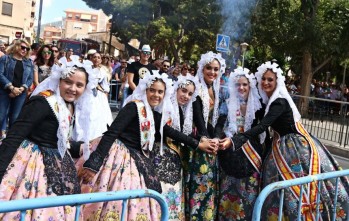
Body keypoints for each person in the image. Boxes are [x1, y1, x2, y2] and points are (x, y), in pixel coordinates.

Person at [219, 61, 349, 220]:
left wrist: (235, 141)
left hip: (294, 147)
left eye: (270, 80)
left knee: (299, 187)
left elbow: (263, 126)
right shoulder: (267, 101)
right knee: (284, 189)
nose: (266, 83)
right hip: (281, 145)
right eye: (264, 79)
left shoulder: (279, 101)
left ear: (277, 82)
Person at [78, 72, 216, 221]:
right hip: (117, 157)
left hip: (136, 158)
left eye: (160, 92)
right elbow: (111, 133)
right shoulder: (133, 107)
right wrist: (94, 163)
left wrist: (199, 144)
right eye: (152, 90)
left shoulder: (153, 114)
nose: (156, 95)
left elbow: (172, 133)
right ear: (145, 90)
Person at [0, 64, 93, 220]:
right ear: (59, 81)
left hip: (57, 161)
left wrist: (79, 147)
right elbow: (15, 135)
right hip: (31, 164)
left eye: (79, 85)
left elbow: (58, 138)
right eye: (68, 82)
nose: (73, 88)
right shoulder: (43, 101)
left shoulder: (69, 105)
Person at [215, 67, 266, 221]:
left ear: (250, 85)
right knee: (228, 191)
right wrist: (217, 138)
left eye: (245, 84)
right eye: (238, 85)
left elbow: (263, 128)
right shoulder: (227, 103)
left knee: (248, 193)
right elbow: (219, 124)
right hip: (230, 153)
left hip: (251, 156)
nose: (241, 88)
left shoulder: (259, 106)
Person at [150, 74, 202, 220]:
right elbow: (167, 130)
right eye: (183, 91)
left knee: (174, 195)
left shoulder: (183, 111)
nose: (186, 96)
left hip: (175, 159)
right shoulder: (164, 106)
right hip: (158, 156)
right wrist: (197, 144)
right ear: (176, 89)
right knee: (161, 193)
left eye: (190, 94)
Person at [184, 51, 226, 221]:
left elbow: (220, 117)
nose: (212, 72)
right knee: (197, 181)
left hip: (210, 141)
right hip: (197, 141)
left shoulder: (217, 90)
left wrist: (216, 137)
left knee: (209, 183)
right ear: (202, 68)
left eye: (216, 69)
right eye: (209, 68)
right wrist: (205, 138)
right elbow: (197, 117)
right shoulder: (196, 87)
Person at [0, 39, 33, 132]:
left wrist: (22, 89)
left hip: (20, 93)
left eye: (27, 48)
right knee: (1, 115)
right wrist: (11, 88)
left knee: (15, 117)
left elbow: (30, 79)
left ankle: (9, 140)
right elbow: (0, 74)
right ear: (16, 47)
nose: (25, 50)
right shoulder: (5, 58)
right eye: (23, 47)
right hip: (5, 91)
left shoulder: (29, 62)